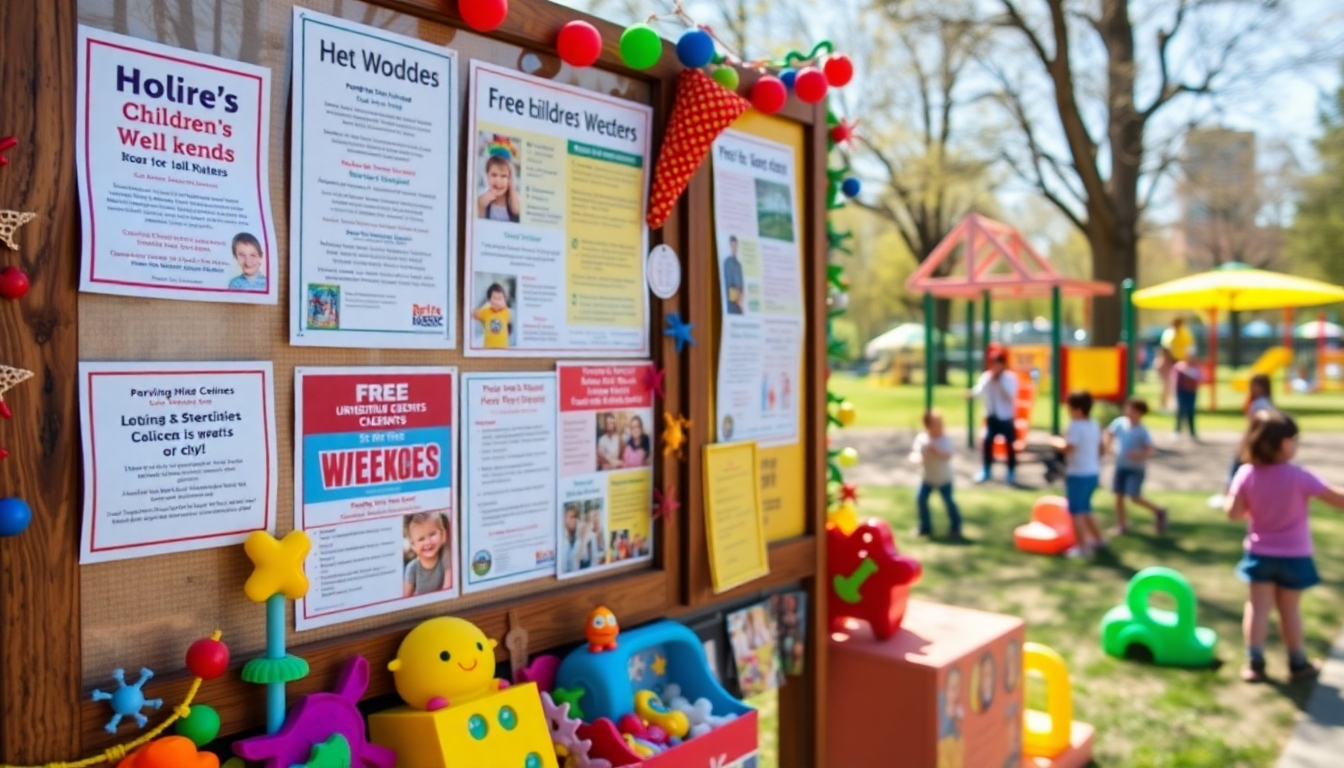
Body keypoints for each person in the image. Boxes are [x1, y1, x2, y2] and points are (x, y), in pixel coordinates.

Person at [1224, 410, 1344, 682]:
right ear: (1284, 443)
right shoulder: (1299, 476)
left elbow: (1233, 513)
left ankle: (1254, 663)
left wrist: (1248, 504)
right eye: (1295, 439)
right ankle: (1297, 663)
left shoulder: (1246, 473)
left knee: (1258, 608)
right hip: (1295, 556)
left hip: (1260, 555)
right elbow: (1338, 499)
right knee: (1290, 610)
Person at [1104, 397, 1168, 535]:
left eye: (1134, 411)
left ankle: (1158, 510)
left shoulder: (1142, 431)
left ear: (1141, 414)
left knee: (1135, 496)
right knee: (1118, 496)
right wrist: (1108, 447)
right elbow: (1109, 433)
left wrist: (1138, 455)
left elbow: (1150, 450)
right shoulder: (1119, 423)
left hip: (1136, 469)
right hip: (1120, 466)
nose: (1130, 413)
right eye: (1129, 409)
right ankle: (1121, 525)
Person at [1051, 391, 1104, 557]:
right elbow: (1101, 448)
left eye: (1070, 408)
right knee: (1086, 508)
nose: (1068, 411)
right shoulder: (1094, 424)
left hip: (1078, 474)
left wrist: (1055, 441)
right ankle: (1099, 539)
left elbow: (1069, 448)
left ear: (1078, 410)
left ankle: (1082, 547)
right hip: (1093, 473)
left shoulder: (1075, 425)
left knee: (1076, 512)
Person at [910, 409, 963, 540]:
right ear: (927, 425)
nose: (940, 426)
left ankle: (956, 526)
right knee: (921, 499)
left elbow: (948, 455)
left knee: (949, 501)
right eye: (936, 423)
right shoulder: (922, 439)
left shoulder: (945, 439)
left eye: (941, 423)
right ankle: (925, 526)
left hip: (944, 478)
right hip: (927, 478)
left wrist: (935, 451)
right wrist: (917, 458)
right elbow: (915, 453)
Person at [969, 351, 1019, 484]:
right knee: (987, 442)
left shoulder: (1010, 378)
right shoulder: (987, 377)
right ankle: (986, 469)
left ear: (1003, 365)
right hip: (992, 416)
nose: (995, 367)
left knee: (1009, 444)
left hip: (1006, 417)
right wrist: (970, 394)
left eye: (998, 364)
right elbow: (979, 390)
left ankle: (1011, 471)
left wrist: (998, 382)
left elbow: (1010, 396)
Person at [402, 513, 448, 597]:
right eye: (421, 539)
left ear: (443, 535)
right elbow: (406, 597)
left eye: (432, 534)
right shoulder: (412, 568)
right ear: (413, 545)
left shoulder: (444, 558)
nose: (428, 542)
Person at [1158, 317, 1195, 410]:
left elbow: (1189, 349)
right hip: (1169, 361)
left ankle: (1175, 405)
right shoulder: (1169, 333)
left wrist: (1186, 362)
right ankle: (1163, 405)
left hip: (1180, 362)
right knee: (1167, 384)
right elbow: (1165, 349)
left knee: (1177, 384)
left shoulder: (1185, 333)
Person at [476, 153, 521, 222]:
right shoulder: (482, 198)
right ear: (487, 177)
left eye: (503, 176)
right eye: (494, 175)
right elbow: (480, 219)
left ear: (509, 179)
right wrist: (482, 204)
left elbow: (516, 210)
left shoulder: (514, 198)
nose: (498, 181)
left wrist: (511, 188)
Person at [1171, 351, 1202, 439]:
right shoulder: (1180, 366)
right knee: (1180, 410)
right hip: (1181, 391)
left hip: (1191, 392)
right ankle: (1177, 430)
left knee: (1190, 411)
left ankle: (1192, 432)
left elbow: (1199, 379)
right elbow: (1175, 379)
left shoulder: (1196, 367)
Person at [474, 283, 512, 349]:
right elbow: (475, 314)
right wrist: (485, 304)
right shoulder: (485, 311)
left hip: (503, 349)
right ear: (489, 300)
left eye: (500, 298)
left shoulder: (506, 312)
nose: (498, 302)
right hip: (488, 349)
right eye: (495, 298)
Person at [722, 235, 745, 315]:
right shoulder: (727, 263)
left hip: (740, 304)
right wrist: (737, 300)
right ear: (730, 246)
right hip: (732, 304)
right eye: (733, 245)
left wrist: (741, 300)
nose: (735, 248)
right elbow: (729, 284)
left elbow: (741, 284)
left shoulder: (739, 265)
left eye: (736, 246)